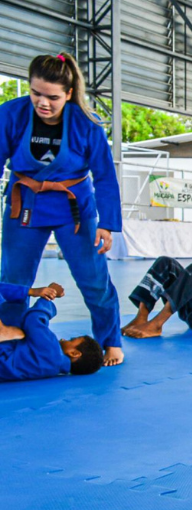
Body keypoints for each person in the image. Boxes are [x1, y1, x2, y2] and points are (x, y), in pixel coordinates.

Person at [0, 53, 124, 366]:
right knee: (14, 277)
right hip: (25, 205)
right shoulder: (11, 114)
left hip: (75, 211)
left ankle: (111, 341)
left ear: (68, 94)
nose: (42, 103)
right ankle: (9, 339)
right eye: (35, 93)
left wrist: (107, 224)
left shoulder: (87, 124)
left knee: (94, 278)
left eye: (52, 97)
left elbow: (106, 177)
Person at [0, 282, 103, 381]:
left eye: (71, 340)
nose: (63, 339)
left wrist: (49, 295)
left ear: (74, 353)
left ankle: (3, 331)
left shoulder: (52, 352)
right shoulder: (52, 369)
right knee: (20, 330)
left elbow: (34, 319)